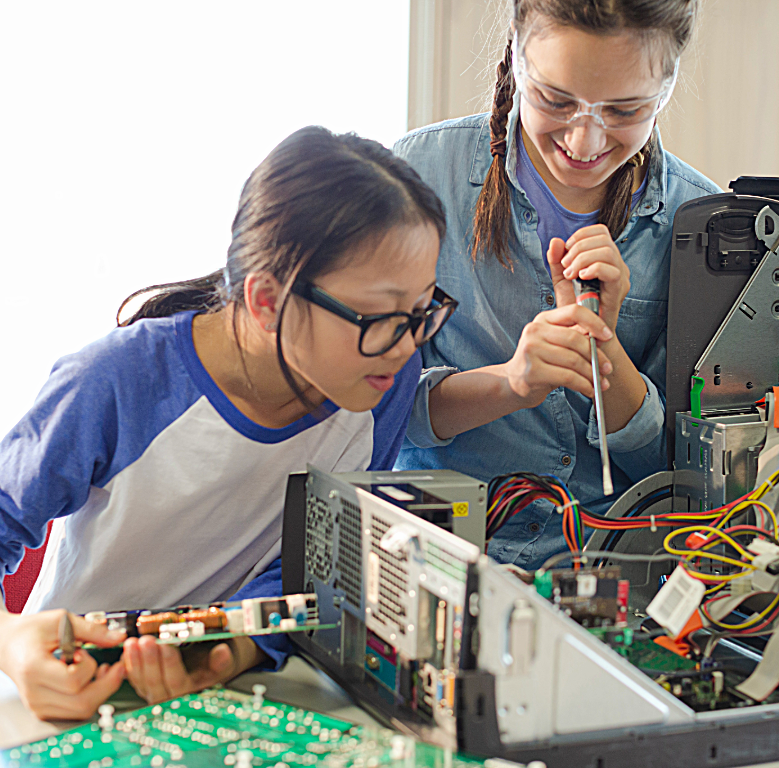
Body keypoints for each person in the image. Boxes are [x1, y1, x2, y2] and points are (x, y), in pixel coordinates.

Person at [0, 127, 454, 719]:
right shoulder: (117, 380)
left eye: (422, 312)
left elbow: (308, 561)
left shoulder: (379, 382)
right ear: (267, 300)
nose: (406, 345)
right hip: (74, 699)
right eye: (379, 316)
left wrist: (233, 649)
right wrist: (11, 641)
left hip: (229, 701)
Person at [393, 0, 718, 568]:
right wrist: (511, 383)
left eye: (625, 110)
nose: (586, 142)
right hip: (435, 558)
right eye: (555, 100)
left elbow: (682, 475)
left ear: (666, 90)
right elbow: (380, 413)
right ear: (516, 57)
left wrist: (605, 355)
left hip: (614, 573)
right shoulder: (419, 177)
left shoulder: (702, 225)